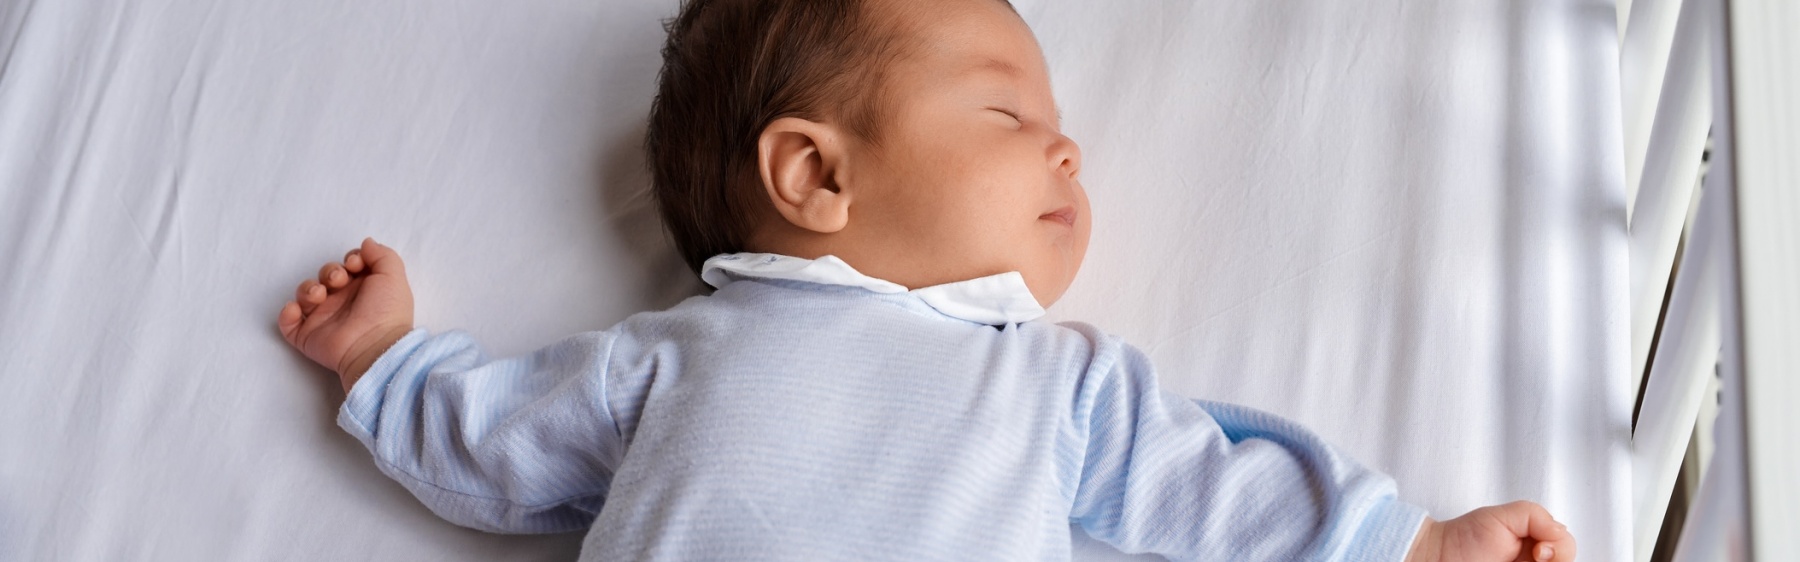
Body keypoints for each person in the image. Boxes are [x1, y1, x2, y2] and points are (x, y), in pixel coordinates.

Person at [275, 0, 1578, 560]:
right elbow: (500, 439)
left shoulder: (1047, 377)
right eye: (1007, 113)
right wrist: (384, 357)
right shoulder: (676, 354)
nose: (1067, 143)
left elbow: (1220, 487)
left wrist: (1409, 538)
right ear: (814, 175)